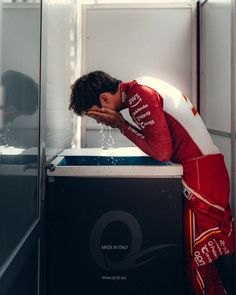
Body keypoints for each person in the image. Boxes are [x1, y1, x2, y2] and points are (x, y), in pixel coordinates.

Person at [69, 70, 234, 295]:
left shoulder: (139, 95)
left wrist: (121, 125)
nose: (98, 120)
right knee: (204, 264)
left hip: (201, 179)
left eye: (95, 114)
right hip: (205, 173)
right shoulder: (142, 87)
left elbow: (161, 151)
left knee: (197, 264)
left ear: (105, 99)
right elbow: (161, 144)